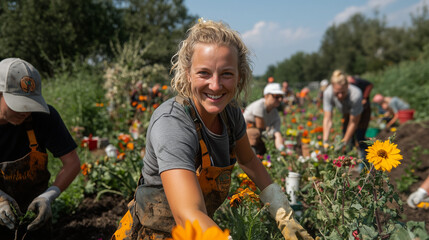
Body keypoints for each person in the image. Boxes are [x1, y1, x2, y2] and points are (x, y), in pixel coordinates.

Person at [112, 20, 313, 240]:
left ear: (240, 76)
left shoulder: (231, 115)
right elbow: (187, 214)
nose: (216, 85)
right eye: (204, 73)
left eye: (226, 74)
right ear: (188, 74)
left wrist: (283, 214)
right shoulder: (173, 123)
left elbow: (249, 161)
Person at [0, 58, 81, 239]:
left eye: (30, 103)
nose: (26, 111)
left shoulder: (44, 118)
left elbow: (72, 163)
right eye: (18, 104)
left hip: (34, 223)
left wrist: (47, 197)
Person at [323, 70, 369, 159]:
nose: (340, 95)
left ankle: (364, 166)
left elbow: (353, 122)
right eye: (337, 93)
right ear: (332, 86)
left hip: (362, 112)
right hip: (346, 113)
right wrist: (325, 141)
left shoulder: (356, 94)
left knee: (360, 138)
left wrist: (343, 144)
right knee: (345, 137)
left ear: (347, 86)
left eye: (342, 92)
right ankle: (348, 161)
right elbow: (327, 119)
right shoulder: (328, 93)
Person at [243, 83, 286, 155]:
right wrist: (271, 132)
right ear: (266, 96)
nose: (280, 99)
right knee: (254, 133)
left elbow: (277, 133)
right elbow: (260, 126)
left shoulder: (275, 113)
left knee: (271, 137)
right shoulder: (259, 105)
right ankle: (248, 155)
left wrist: (281, 149)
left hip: (262, 133)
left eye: (281, 96)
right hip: (243, 132)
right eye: (276, 96)